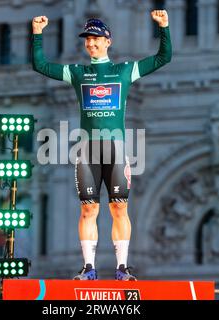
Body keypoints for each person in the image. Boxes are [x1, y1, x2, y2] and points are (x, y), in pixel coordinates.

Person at [32, 10, 172, 280]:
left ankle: (122, 268)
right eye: (87, 40)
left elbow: (163, 58)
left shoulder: (124, 71)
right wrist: (38, 34)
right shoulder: (77, 73)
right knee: (88, 209)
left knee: (119, 207)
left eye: (96, 39)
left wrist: (164, 27)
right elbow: (41, 65)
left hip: (116, 150)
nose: (91, 44)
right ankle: (88, 268)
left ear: (108, 41)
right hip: (87, 151)